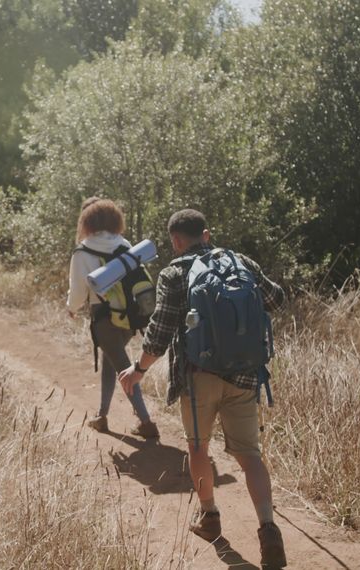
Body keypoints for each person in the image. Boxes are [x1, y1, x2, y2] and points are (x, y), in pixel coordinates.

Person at [117, 209, 287, 568]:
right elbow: (276, 300)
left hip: (199, 376)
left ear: (176, 241)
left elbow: (160, 330)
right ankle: (269, 529)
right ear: (206, 234)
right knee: (250, 455)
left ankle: (209, 518)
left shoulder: (174, 273)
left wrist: (139, 369)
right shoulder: (240, 262)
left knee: (198, 446)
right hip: (244, 374)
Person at [67, 197, 159, 439]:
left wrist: (72, 307)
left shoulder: (82, 251)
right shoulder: (124, 243)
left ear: (87, 220)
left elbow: (78, 290)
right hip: (130, 316)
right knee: (112, 362)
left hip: (104, 317)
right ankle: (102, 416)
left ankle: (146, 422)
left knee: (123, 367)